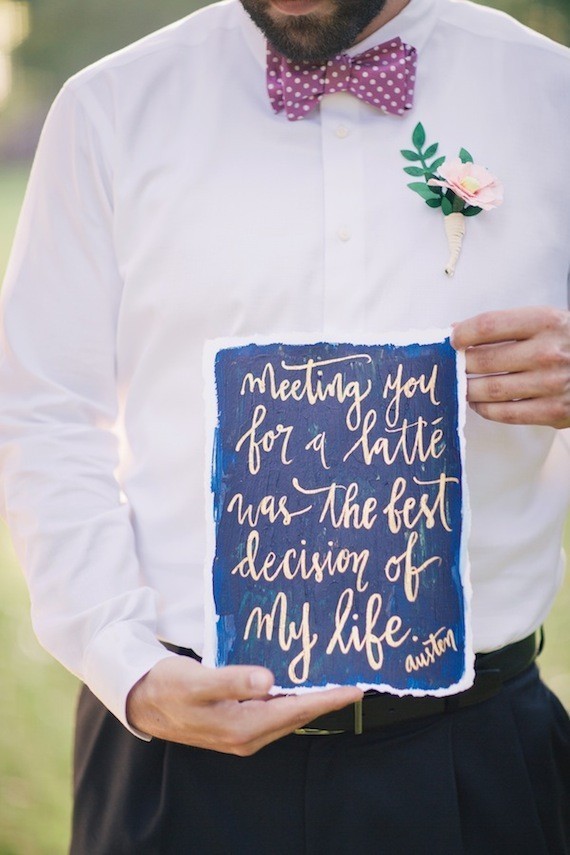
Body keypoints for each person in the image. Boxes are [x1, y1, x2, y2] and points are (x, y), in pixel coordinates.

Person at [0, 0, 569, 850]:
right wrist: (127, 663)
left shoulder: (551, 96)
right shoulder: (109, 107)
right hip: (174, 758)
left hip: (471, 758)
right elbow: (42, 409)